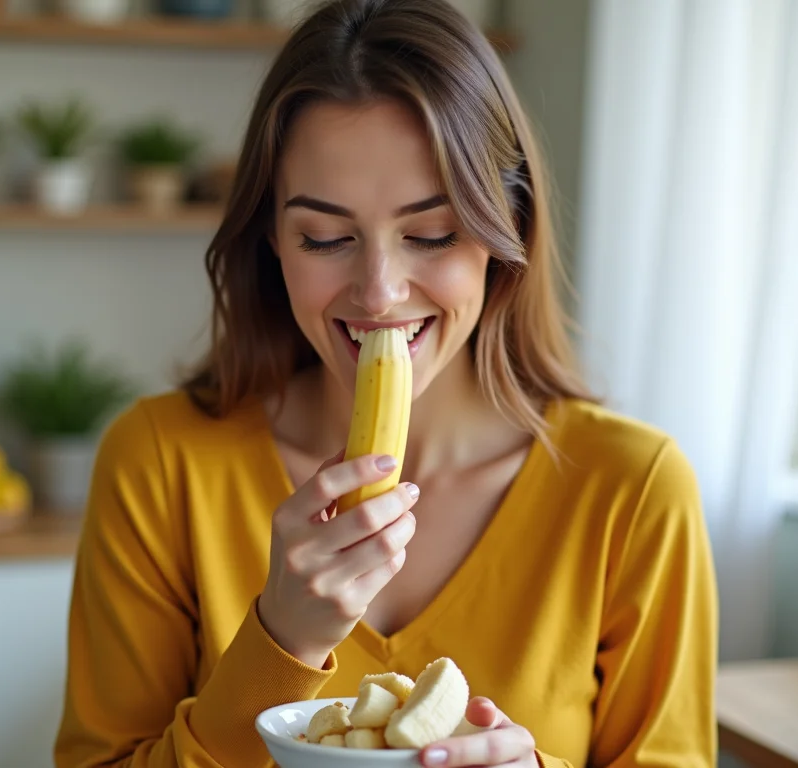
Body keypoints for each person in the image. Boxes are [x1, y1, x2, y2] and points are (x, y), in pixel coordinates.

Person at [53, 0, 718, 765]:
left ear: (510, 229)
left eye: (430, 234)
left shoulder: (632, 489)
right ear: (271, 240)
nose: (377, 292)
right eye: (326, 237)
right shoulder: (159, 463)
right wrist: (281, 642)